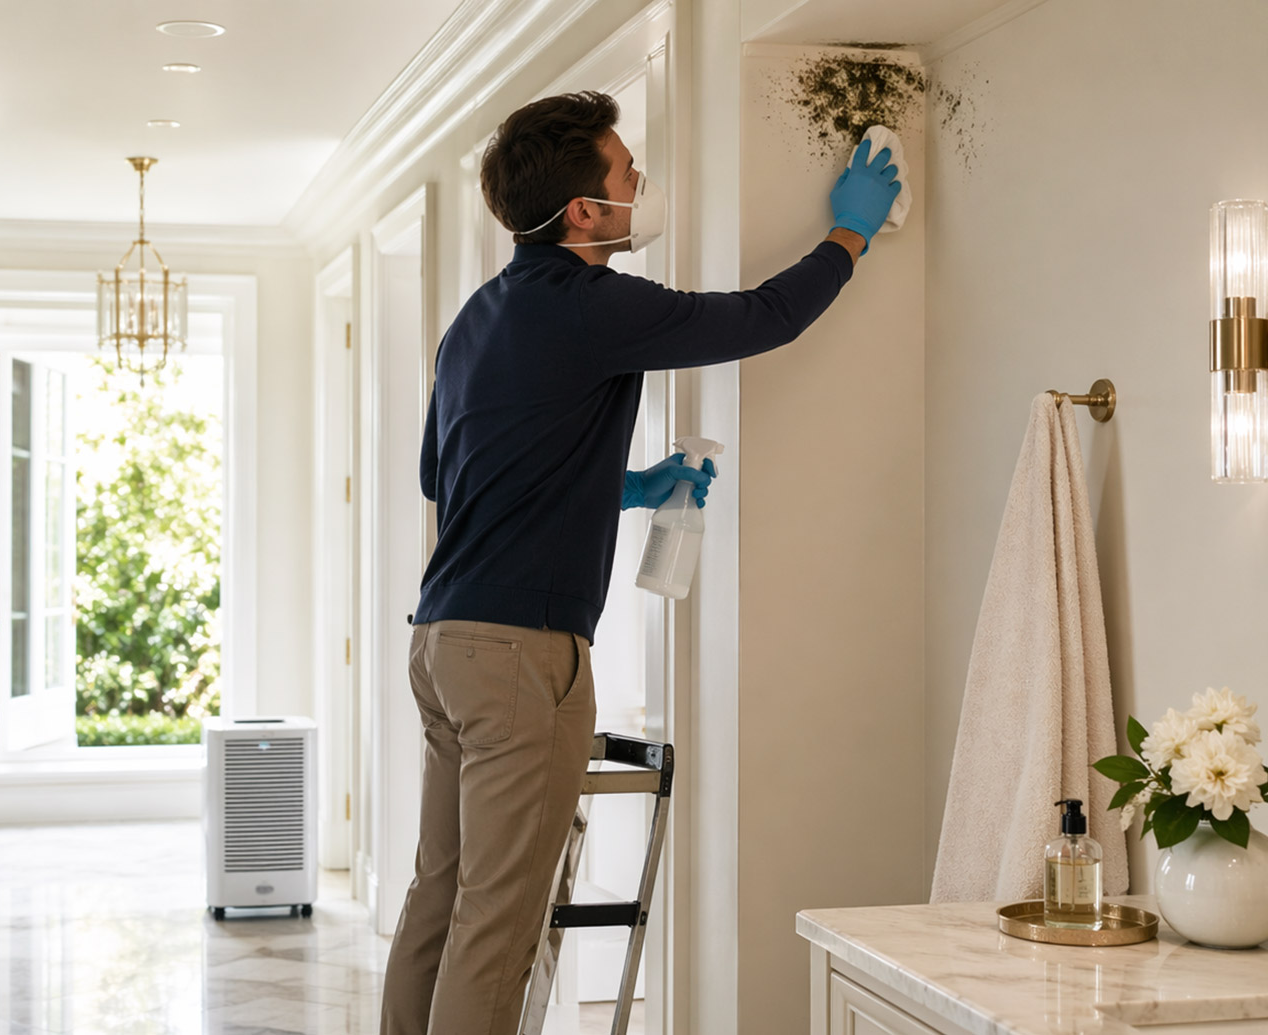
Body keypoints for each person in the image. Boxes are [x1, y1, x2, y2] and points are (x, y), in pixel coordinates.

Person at [380, 90, 901, 1035]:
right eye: (627, 173)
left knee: (439, 897)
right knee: (498, 924)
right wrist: (847, 237)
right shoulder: (592, 304)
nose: (639, 185)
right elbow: (760, 318)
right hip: (517, 657)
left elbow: (445, 474)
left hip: (441, 642)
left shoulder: (476, 318)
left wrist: (623, 484)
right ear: (583, 211)